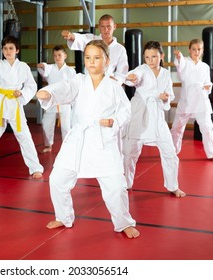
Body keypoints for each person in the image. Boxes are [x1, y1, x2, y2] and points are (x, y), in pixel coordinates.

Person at [36, 40, 140, 238]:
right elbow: (64, 88)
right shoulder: (79, 81)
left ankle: (124, 222)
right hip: (78, 138)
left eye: (97, 58)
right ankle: (63, 216)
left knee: (116, 187)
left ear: (107, 61)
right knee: (57, 179)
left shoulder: (113, 86)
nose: (91, 62)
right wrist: (48, 93)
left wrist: (114, 121)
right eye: (88, 57)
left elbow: (126, 111)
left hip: (103, 139)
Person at [0, 35, 44, 179]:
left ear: (17, 50)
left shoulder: (23, 67)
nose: (8, 51)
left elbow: (32, 86)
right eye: (5, 48)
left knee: (24, 136)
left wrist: (22, 93)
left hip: (15, 102)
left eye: (11, 48)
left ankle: (35, 167)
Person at [123, 41, 186, 198]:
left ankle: (173, 186)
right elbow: (135, 77)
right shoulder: (142, 69)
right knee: (130, 151)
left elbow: (169, 95)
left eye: (154, 56)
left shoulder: (166, 74)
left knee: (169, 152)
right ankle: (126, 183)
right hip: (140, 113)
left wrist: (165, 98)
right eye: (147, 57)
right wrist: (131, 78)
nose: (150, 60)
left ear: (162, 56)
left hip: (157, 116)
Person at [171, 39, 213, 162]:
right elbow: (180, 68)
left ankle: (212, 153)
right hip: (186, 100)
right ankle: (172, 152)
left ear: (202, 50)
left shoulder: (205, 67)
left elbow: (207, 82)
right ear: (189, 50)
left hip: (200, 101)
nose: (196, 52)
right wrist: (179, 57)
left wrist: (208, 86)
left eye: (199, 49)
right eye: (194, 49)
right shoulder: (185, 62)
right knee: (176, 128)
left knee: (207, 128)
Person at [61, 14, 128, 84]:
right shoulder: (92, 40)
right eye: (103, 27)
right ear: (99, 27)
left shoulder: (120, 49)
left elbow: (122, 73)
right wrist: (71, 36)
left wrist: (115, 81)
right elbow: (81, 39)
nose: (106, 30)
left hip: (108, 84)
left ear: (114, 26)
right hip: (89, 82)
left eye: (109, 26)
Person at [37, 45, 76, 153]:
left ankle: (67, 148)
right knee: (46, 123)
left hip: (65, 101)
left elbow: (73, 87)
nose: (57, 57)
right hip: (51, 100)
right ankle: (48, 145)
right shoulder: (50, 68)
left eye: (59, 55)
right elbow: (43, 68)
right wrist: (42, 65)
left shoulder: (70, 71)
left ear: (65, 56)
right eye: (55, 55)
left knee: (66, 127)